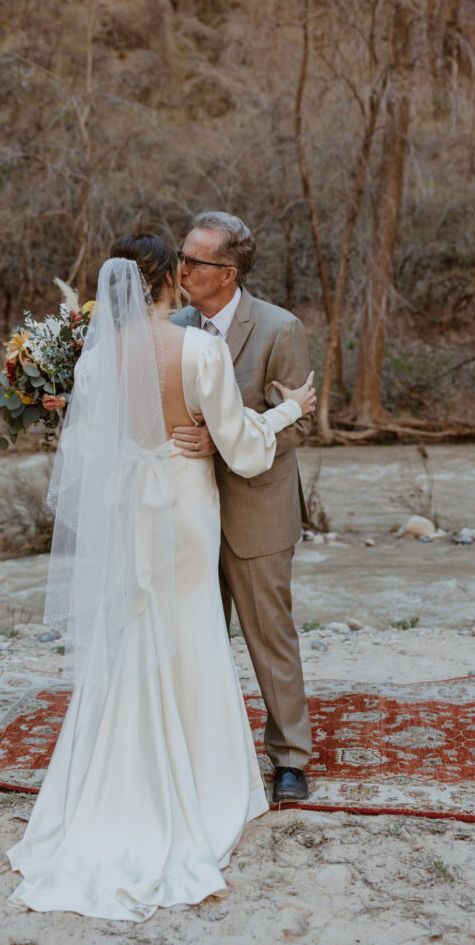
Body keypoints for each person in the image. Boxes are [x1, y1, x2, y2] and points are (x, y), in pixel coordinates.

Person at [6, 235, 316, 922]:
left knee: (134, 632)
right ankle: (202, 783)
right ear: (167, 282)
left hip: (126, 511)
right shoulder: (198, 350)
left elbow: (86, 455)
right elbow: (237, 444)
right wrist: (291, 408)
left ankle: (116, 785)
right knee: (191, 632)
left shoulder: (96, 361)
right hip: (181, 510)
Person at [170, 211, 313, 803]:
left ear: (227, 274)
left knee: (269, 636)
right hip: (189, 511)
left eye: (193, 261)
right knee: (194, 636)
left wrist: (223, 441)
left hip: (258, 509)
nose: (180, 268)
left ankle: (290, 759)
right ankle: (197, 752)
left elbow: (299, 427)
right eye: (182, 257)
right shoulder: (172, 326)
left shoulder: (280, 329)